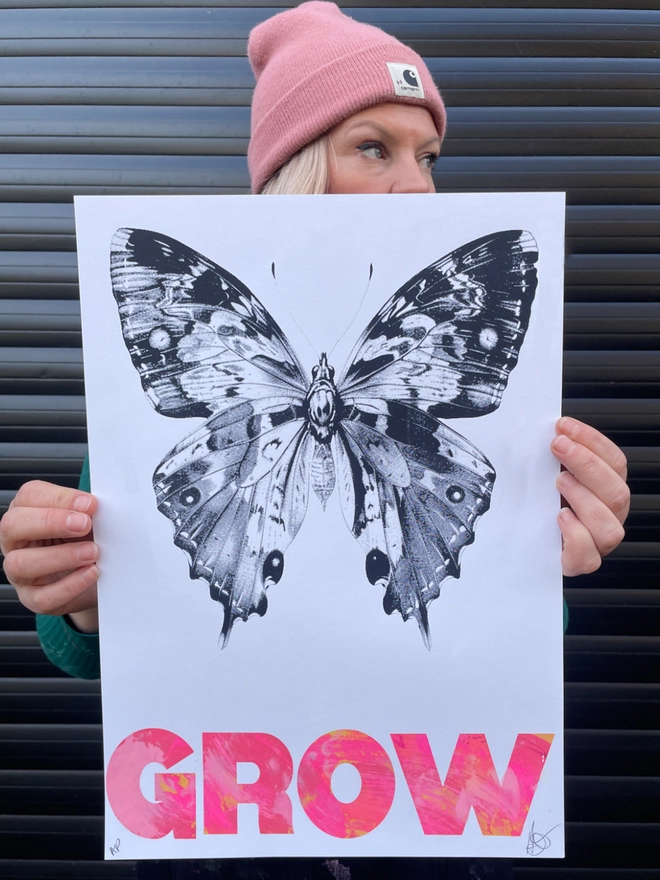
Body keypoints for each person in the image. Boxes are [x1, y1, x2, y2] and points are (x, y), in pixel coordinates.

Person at [0, 3, 630, 878]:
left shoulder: (505, 404)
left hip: (428, 825)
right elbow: (103, 615)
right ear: (292, 171)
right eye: (373, 147)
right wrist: (73, 592)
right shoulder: (177, 423)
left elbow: (496, 631)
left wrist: (542, 559)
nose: (419, 185)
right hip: (232, 833)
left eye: (429, 157)